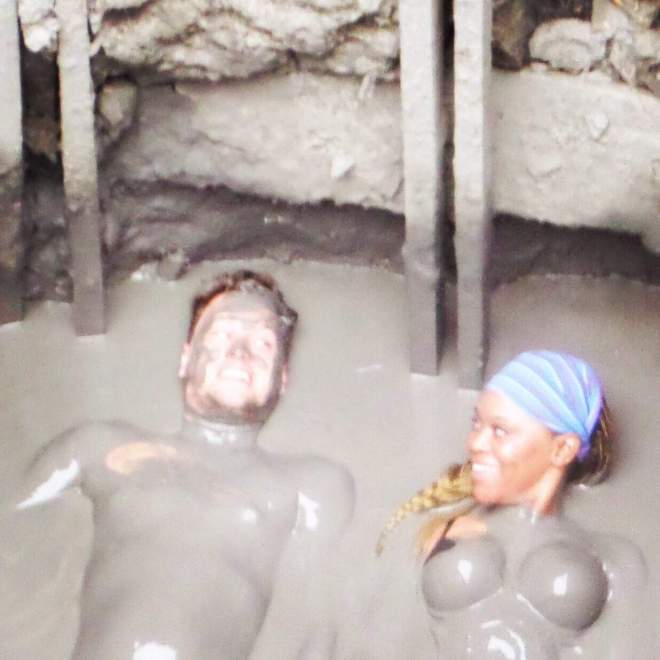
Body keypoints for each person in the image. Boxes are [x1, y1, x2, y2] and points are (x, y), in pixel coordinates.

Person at [16, 270, 354, 660]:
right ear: (185, 358)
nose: (240, 352)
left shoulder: (311, 487)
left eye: (262, 343)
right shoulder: (99, 447)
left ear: (283, 378)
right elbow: (10, 528)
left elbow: (318, 626)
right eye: (222, 335)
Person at [378, 350, 647, 659]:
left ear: (562, 449)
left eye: (499, 431)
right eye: (476, 424)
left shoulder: (609, 561)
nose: (474, 442)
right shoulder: (443, 532)